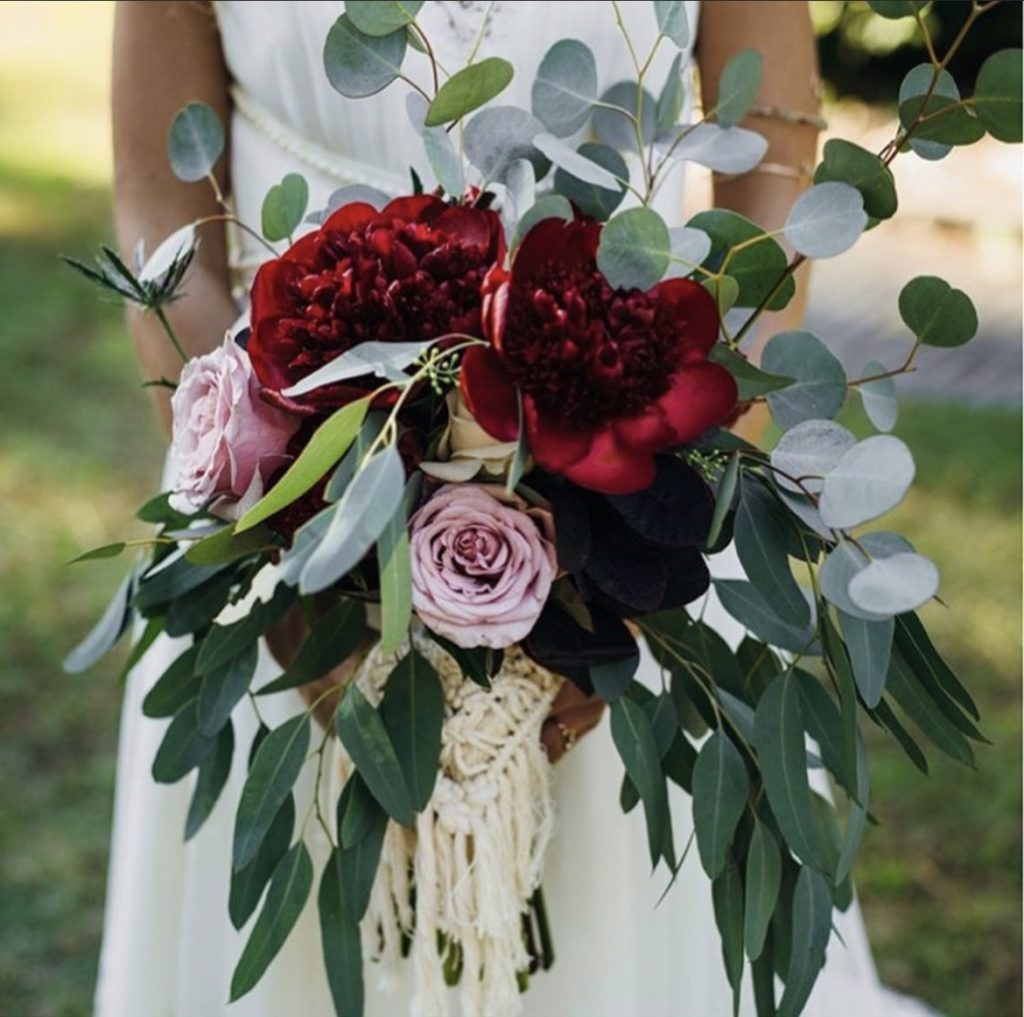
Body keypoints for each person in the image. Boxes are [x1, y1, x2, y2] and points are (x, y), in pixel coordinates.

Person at [97, 3, 931, 1015]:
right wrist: (267, 511)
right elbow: (159, 191)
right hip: (291, 487)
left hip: (631, 451)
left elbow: (776, 161)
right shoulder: (280, 521)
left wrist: (640, 553)